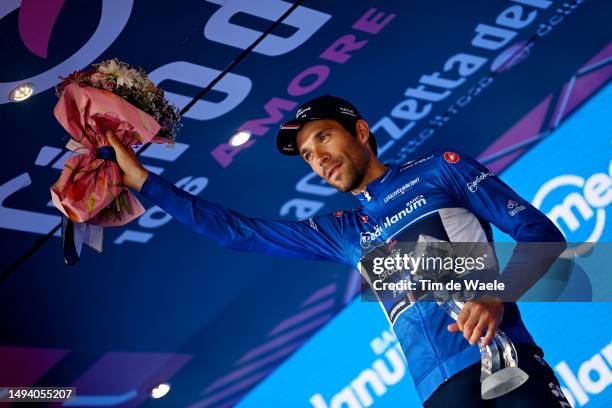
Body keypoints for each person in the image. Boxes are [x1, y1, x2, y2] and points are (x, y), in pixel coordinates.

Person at [106, 95, 570, 407]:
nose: (318, 158)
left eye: (323, 138)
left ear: (361, 132)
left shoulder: (438, 171)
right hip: (438, 392)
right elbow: (237, 232)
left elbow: (540, 232)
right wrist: (145, 182)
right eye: (307, 154)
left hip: (506, 364)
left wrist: (497, 297)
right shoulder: (344, 231)